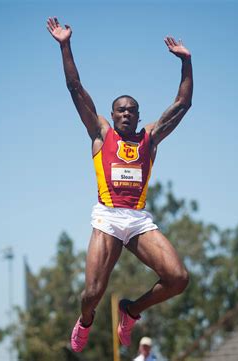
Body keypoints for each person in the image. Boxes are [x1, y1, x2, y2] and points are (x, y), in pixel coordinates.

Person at [46, 16, 193, 353]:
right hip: (108, 218)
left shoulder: (150, 138)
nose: (126, 114)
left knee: (178, 278)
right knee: (92, 293)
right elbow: (75, 88)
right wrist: (65, 45)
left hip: (138, 219)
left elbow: (183, 104)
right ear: (112, 116)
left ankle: (132, 310)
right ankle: (85, 321)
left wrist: (186, 62)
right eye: (120, 110)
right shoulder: (101, 134)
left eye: (132, 110)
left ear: (139, 117)